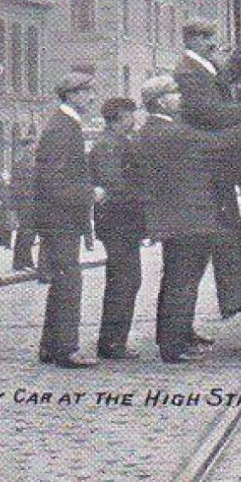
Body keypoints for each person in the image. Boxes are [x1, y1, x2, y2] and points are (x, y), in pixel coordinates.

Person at [135, 74, 241, 363]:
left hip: (175, 217)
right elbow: (221, 142)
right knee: (184, 281)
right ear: (161, 101)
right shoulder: (174, 133)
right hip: (190, 219)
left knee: (174, 278)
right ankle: (175, 347)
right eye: (174, 93)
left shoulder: (153, 130)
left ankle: (174, 335)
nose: (180, 97)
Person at [175, 17, 241, 321]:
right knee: (223, 234)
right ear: (193, 40)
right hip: (210, 164)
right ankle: (234, 299)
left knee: (230, 230)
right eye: (207, 37)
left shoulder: (202, 66)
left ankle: (236, 299)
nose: (213, 42)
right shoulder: (188, 72)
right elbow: (211, 114)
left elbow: (225, 76)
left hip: (218, 164)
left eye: (212, 36)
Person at [34, 72, 100, 367]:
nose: (91, 97)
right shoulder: (64, 127)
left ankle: (51, 346)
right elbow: (54, 181)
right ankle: (66, 349)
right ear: (71, 94)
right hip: (60, 218)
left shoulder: (65, 124)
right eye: (86, 92)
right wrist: (89, 193)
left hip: (59, 217)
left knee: (62, 280)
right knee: (69, 280)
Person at [91, 97, 144, 360]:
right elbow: (114, 186)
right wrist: (143, 194)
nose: (133, 120)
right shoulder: (109, 146)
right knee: (124, 281)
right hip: (118, 222)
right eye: (130, 115)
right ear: (120, 117)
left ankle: (113, 341)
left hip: (123, 222)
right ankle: (112, 343)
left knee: (125, 280)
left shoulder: (117, 142)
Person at [7, 132, 39, 273]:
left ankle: (26, 261)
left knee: (30, 233)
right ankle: (20, 262)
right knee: (25, 232)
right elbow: (15, 186)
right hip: (24, 203)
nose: (32, 148)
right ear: (24, 148)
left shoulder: (36, 163)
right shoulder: (19, 164)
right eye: (29, 146)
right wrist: (16, 204)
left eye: (33, 145)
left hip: (34, 202)